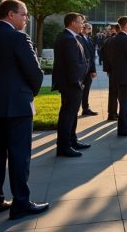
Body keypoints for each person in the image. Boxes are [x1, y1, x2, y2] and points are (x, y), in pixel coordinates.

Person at [0, 0, 49, 219]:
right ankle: (21, 203)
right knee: (19, 155)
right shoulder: (18, 37)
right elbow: (35, 72)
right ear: (10, 15)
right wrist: (29, 93)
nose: (26, 18)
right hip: (17, 104)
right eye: (23, 14)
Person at [52, 13, 90, 158]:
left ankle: (72, 141)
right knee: (67, 116)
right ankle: (64, 146)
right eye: (81, 22)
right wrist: (79, 81)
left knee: (72, 115)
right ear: (73, 23)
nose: (83, 25)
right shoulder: (68, 39)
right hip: (71, 84)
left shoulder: (69, 37)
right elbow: (73, 64)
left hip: (72, 83)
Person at [79, 22, 98, 116]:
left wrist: (93, 70)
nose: (89, 30)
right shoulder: (78, 38)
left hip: (89, 69)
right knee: (80, 90)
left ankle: (85, 108)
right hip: (82, 70)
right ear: (83, 28)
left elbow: (92, 56)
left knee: (86, 90)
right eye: (88, 28)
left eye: (90, 28)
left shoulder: (89, 39)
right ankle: (78, 107)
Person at [102, 24, 120, 121]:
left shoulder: (107, 40)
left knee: (113, 93)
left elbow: (103, 55)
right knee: (118, 93)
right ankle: (114, 113)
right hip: (117, 70)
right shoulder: (117, 40)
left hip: (111, 70)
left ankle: (112, 113)